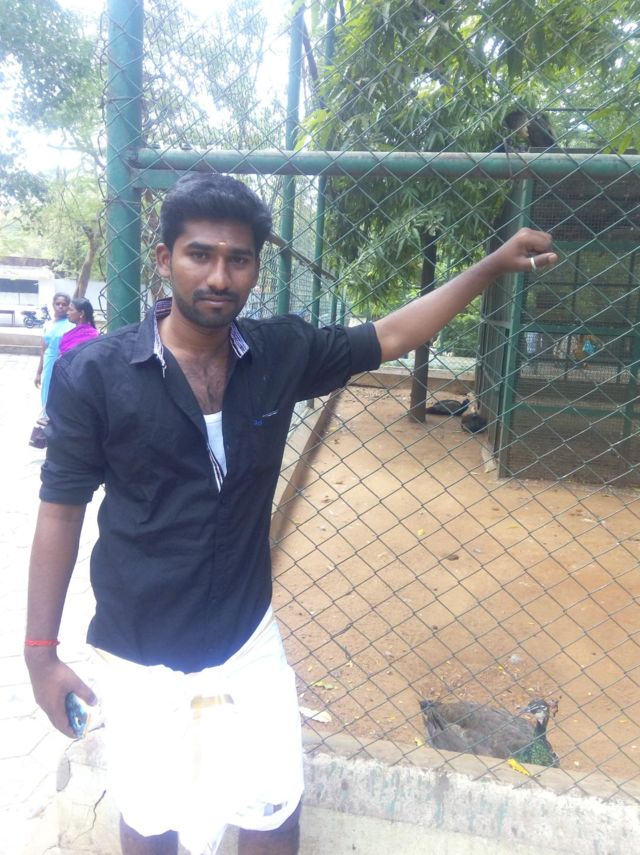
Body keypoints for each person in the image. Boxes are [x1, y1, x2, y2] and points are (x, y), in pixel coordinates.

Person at [25, 173, 557, 855]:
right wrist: (40, 654)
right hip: (140, 649)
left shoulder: (277, 353)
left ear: (256, 268)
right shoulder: (96, 374)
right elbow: (60, 513)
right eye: (200, 254)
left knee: (275, 814)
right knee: (153, 823)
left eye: (239, 259)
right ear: (164, 259)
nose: (219, 276)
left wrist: (490, 267)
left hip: (245, 637)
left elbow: (393, 332)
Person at [33, 292, 74, 411]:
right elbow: (43, 350)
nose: (61, 306)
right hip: (49, 363)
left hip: (64, 363)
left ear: (68, 307)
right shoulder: (47, 325)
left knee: (61, 392)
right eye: (58, 304)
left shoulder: (72, 325)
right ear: (53, 305)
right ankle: (45, 416)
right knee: (46, 390)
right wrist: (38, 373)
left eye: (64, 304)